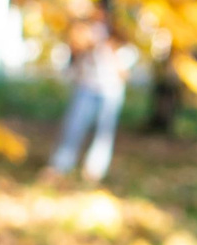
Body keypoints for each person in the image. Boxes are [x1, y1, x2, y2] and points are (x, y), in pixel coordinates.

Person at [48, 14, 135, 182]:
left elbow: (124, 73)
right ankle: (60, 166)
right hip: (85, 88)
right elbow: (72, 64)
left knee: (104, 132)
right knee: (73, 126)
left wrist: (108, 51)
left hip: (110, 91)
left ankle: (94, 171)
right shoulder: (83, 35)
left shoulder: (120, 45)